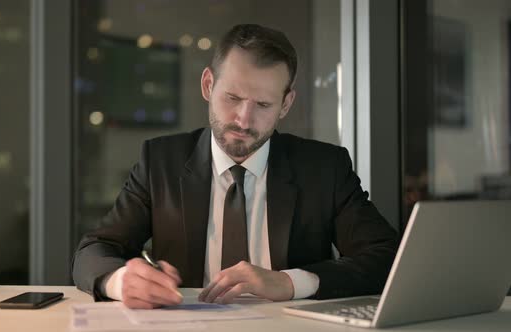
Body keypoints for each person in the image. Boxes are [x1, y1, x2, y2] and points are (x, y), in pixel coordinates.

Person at [72, 24, 398, 309]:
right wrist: (118, 281)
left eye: (263, 104)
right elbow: (94, 251)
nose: (244, 119)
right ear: (207, 86)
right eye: (232, 97)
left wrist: (290, 283)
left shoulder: (325, 168)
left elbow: (386, 258)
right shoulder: (160, 162)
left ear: (285, 104)